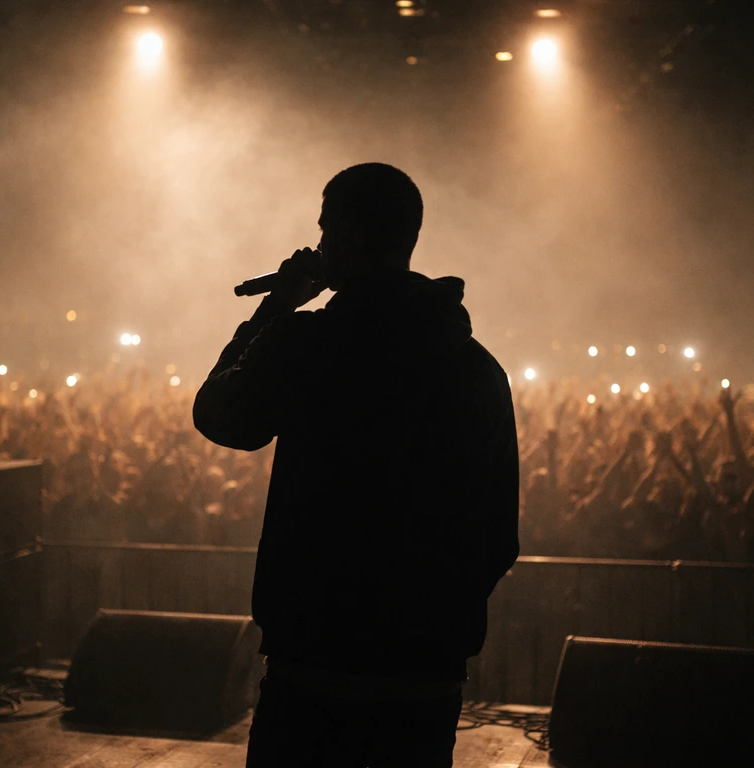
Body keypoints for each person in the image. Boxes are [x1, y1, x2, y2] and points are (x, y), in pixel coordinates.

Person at [194, 162, 519, 767]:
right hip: (425, 675)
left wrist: (277, 309)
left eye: (323, 230)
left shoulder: (310, 345)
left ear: (345, 232)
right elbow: (500, 535)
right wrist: (436, 615)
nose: (316, 245)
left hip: (314, 667)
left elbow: (218, 414)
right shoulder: (480, 370)